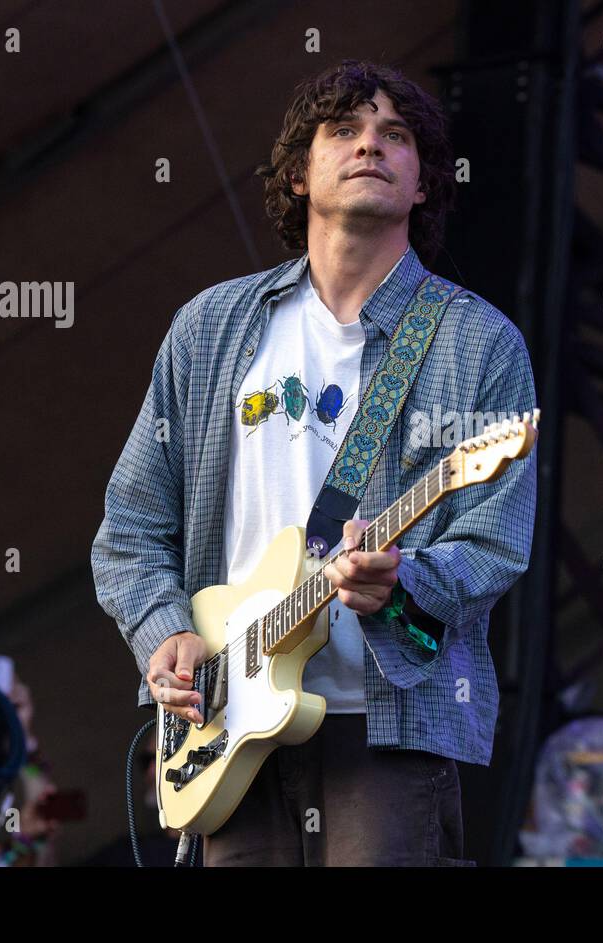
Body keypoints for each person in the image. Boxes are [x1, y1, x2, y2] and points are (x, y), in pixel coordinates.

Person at [91, 59, 537, 866]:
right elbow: (130, 527)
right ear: (299, 173)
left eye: (395, 136)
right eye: (345, 129)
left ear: (424, 184)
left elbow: (495, 541)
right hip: (228, 724)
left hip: (389, 725)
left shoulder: (478, 342)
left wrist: (401, 579)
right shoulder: (211, 329)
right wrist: (169, 633)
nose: (371, 144)